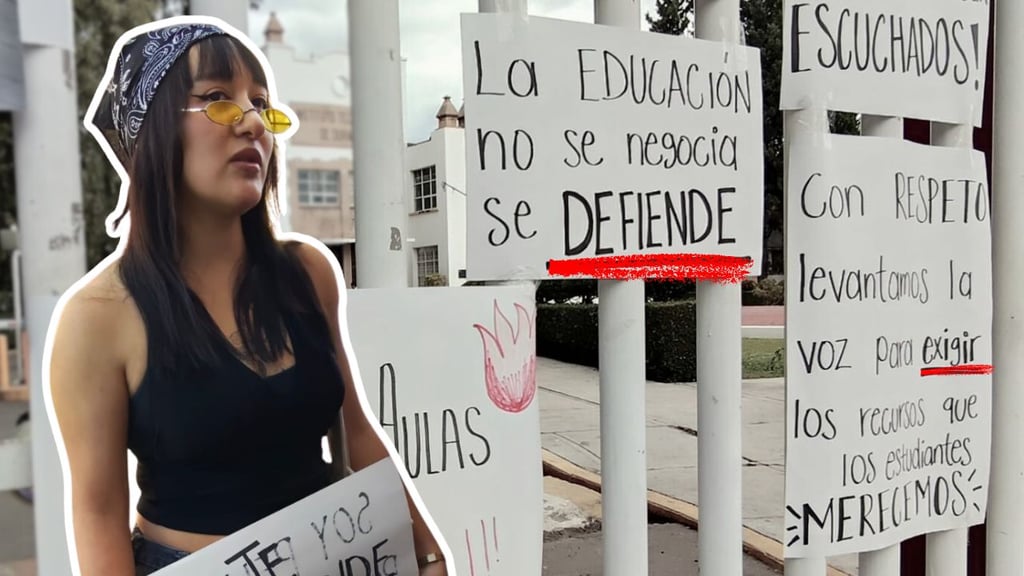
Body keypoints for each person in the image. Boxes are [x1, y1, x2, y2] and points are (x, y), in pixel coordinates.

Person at [47, 17, 447, 576]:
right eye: (217, 98)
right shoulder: (96, 318)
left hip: (341, 557)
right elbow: (96, 510)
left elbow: (359, 434)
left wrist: (428, 552)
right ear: (153, 131)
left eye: (261, 104)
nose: (254, 123)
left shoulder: (310, 273)